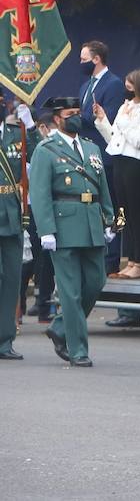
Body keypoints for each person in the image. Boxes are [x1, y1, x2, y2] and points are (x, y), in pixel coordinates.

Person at [30, 96, 116, 367]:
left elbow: (102, 185)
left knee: (96, 281)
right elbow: (40, 192)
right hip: (63, 223)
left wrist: (109, 218)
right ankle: (77, 348)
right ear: (57, 119)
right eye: (70, 113)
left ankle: (60, 327)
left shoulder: (91, 147)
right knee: (70, 291)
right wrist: (46, 230)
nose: (76, 117)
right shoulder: (47, 149)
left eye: (78, 112)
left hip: (91, 222)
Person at [96, 69, 140, 283]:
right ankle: (128, 260)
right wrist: (103, 120)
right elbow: (114, 138)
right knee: (122, 210)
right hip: (119, 159)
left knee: (135, 211)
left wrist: (125, 122)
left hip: (136, 162)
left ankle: (138, 261)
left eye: (130, 85)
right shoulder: (125, 106)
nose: (127, 90)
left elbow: (139, 140)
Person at [0, 100, 27, 360]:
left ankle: (5, 340)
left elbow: (41, 154)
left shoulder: (16, 133)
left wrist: (29, 127)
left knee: (10, 279)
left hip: (10, 214)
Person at [76, 40, 125, 164]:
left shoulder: (114, 84)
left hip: (102, 151)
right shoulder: (85, 86)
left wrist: (79, 116)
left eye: (84, 60)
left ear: (96, 59)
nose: (81, 63)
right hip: (84, 150)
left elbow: (108, 117)